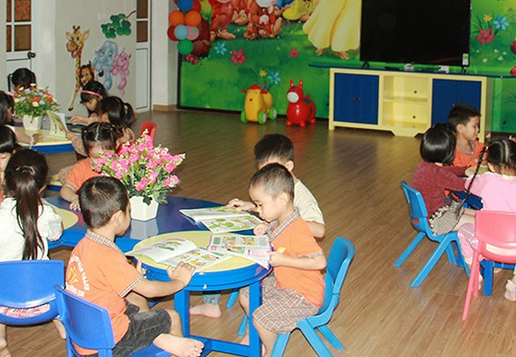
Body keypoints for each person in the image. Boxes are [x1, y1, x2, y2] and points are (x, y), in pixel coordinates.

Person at [191, 133, 326, 318]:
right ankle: (211, 303)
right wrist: (254, 207)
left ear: (288, 166)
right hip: (274, 243)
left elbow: (320, 230)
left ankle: (255, 325)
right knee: (227, 243)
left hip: (286, 260)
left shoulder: (303, 198)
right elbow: (275, 208)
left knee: (241, 260)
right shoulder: (275, 190)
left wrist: (286, 223)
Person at [65, 176, 204, 357]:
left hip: (84, 332)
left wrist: (132, 276)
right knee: (172, 317)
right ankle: (165, 339)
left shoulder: (82, 246)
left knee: (137, 300)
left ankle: (156, 336)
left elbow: (101, 281)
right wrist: (179, 281)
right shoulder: (108, 256)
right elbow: (150, 290)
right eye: (129, 211)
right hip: (108, 342)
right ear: (117, 217)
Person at [0, 149, 63, 357]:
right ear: (42, 188)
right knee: (41, 276)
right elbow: (56, 234)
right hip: (44, 300)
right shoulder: (46, 213)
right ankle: (62, 323)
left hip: (1, 303)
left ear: (4, 181)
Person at [238, 164, 326, 357]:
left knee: (261, 319)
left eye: (261, 205)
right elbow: (278, 236)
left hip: (303, 296)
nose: (258, 210)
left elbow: (320, 262)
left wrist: (283, 260)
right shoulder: (281, 221)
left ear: (282, 199)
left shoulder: (298, 229)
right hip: (285, 285)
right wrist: (266, 228)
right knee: (246, 294)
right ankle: (256, 337)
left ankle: (272, 351)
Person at [457, 139, 516, 302]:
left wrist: (477, 175)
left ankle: (475, 273)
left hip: (486, 245)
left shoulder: (487, 180)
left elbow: (468, 185)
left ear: (491, 166)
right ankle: (514, 282)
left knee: (463, 231)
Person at [410, 124, 468, 217]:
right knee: (477, 219)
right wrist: (480, 179)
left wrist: (464, 170)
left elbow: (445, 171)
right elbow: (462, 185)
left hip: (427, 214)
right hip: (436, 217)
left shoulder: (425, 165)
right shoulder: (437, 173)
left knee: (476, 215)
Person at [60, 122, 118, 210]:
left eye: (107, 156)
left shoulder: (125, 166)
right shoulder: (82, 168)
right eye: (96, 157)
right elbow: (66, 189)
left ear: (116, 145)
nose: (101, 161)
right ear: (88, 153)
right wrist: (76, 198)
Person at [447, 103, 484, 167]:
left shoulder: (480, 147)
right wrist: (476, 160)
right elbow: (458, 170)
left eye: (478, 126)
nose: (478, 130)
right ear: (460, 128)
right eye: (474, 126)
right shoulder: (451, 152)